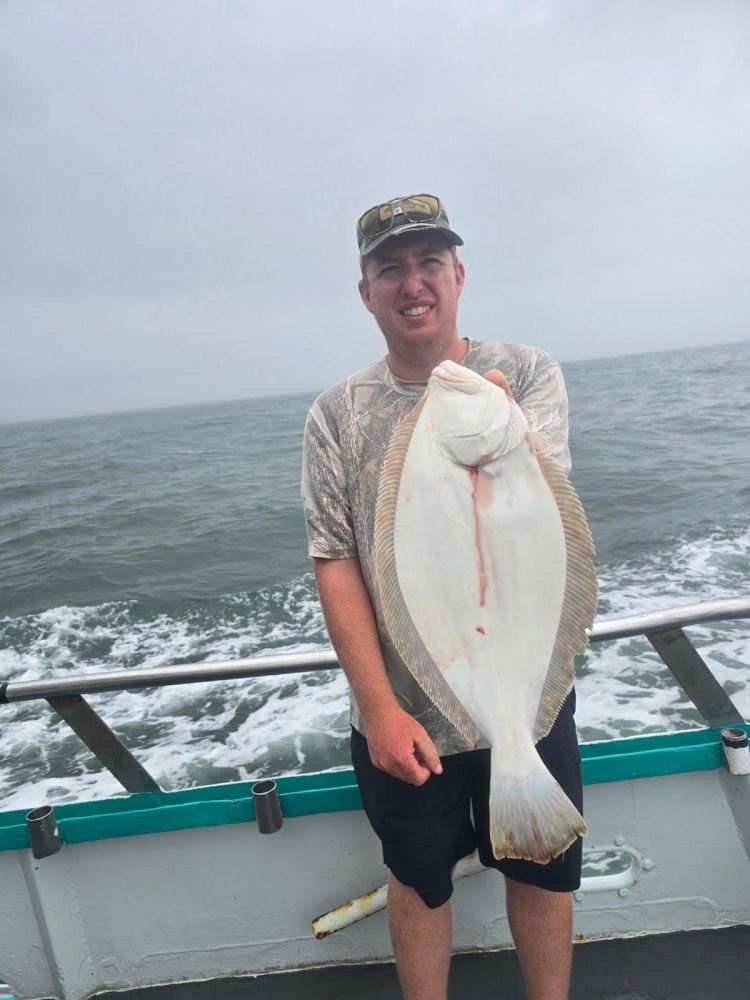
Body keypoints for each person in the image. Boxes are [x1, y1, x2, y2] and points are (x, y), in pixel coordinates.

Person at [301, 194, 582, 1000]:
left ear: (458, 275)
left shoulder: (523, 375)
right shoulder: (337, 414)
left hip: (528, 681)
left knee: (542, 870)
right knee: (419, 881)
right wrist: (381, 708)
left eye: (430, 262)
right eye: (390, 267)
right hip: (404, 715)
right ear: (366, 292)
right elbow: (337, 560)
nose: (412, 281)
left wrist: (502, 428)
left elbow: (544, 508)